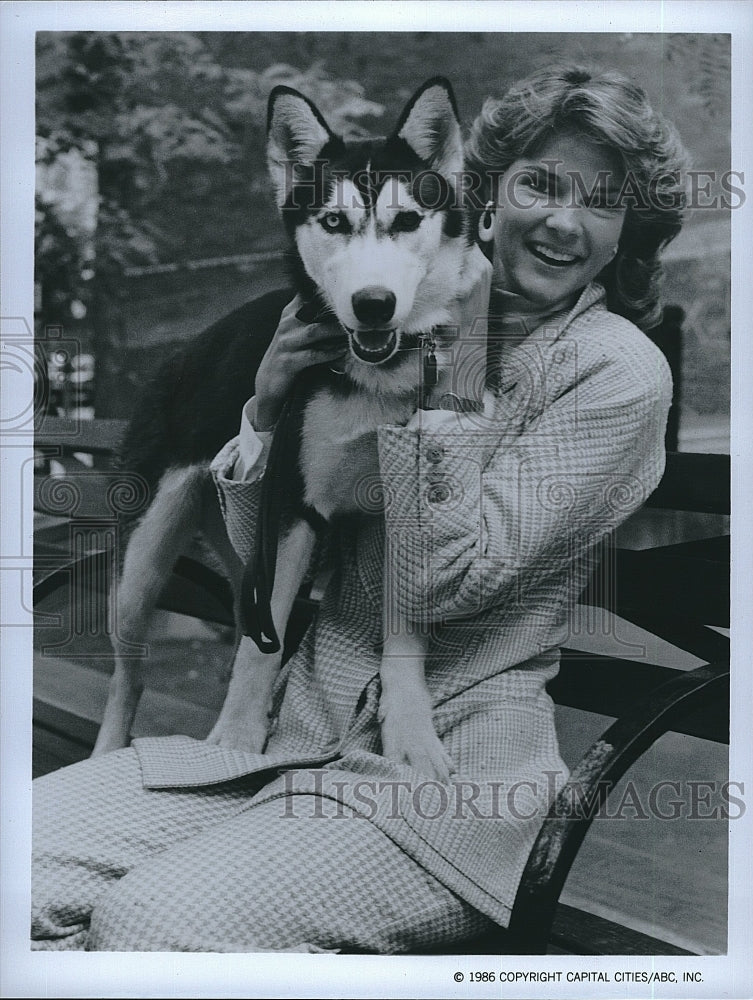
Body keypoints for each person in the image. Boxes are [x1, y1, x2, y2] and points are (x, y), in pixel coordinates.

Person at [32, 65, 688, 953]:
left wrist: (453, 364)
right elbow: (262, 541)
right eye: (538, 182)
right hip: (285, 739)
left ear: (626, 231)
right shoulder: (376, 309)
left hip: (448, 785)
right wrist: (265, 409)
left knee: (148, 923)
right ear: (484, 193)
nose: (562, 221)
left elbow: (456, 578)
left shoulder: (613, 375)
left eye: (601, 201)